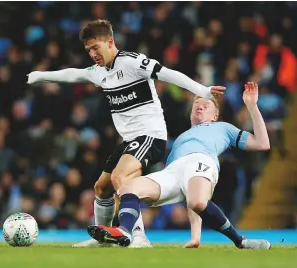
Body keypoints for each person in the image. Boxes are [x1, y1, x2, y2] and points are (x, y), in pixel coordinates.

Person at [27, 19, 225, 248]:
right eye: (88, 50)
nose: (92, 54)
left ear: (110, 41)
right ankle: (103, 241)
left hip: (151, 136)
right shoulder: (99, 72)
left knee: (120, 177)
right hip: (130, 140)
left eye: (95, 48)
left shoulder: (132, 62)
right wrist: (41, 76)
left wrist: (202, 90)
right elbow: (75, 74)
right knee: (102, 188)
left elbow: (167, 73)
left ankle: (138, 236)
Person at [87, 82, 271, 249]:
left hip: (201, 160)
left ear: (215, 115)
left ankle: (240, 241)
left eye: (206, 105)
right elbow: (187, 186)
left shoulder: (224, 128)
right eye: (196, 104)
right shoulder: (181, 137)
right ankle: (126, 231)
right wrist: (195, 238)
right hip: (173, 170)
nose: (199, 106)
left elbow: (263, 143)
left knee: (197, 201)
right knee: (129, 187)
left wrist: (252, 106)